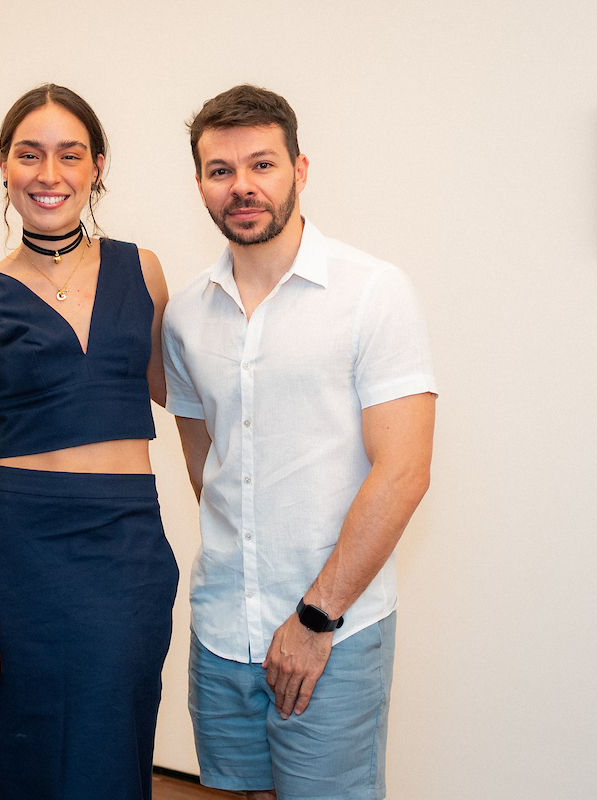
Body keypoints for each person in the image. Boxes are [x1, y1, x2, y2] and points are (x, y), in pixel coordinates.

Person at [162, 84, 438, 800]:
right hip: (223, 628)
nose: (242, 186)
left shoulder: (373, 292)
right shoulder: (188, 313)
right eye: (221, 171)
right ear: (199, 183)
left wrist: (316, 617)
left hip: (334, 631)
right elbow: (206, 465)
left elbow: (404, 472)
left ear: (300, 169)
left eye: (262, 165)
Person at [0, 84, 179, 800]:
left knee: (109, 752)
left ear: (96, 167)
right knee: (13, 756)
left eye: (69, 155)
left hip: (128, 557)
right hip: (16, 561)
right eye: (29, 155)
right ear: (4, 166)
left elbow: (181, 394)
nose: (48, 174)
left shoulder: (142, 270)